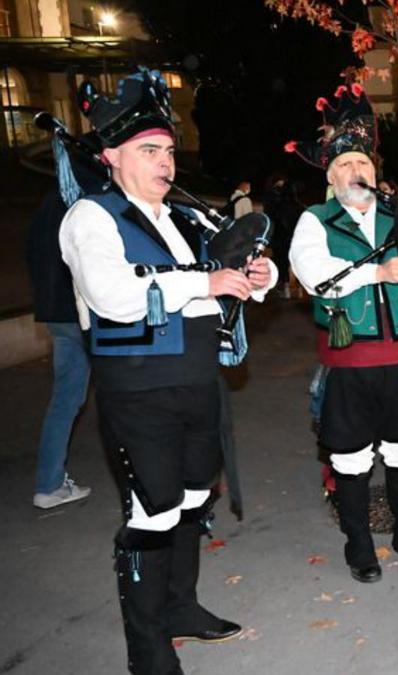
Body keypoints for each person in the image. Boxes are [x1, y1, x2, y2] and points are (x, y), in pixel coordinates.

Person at [59, 67, 275, 673]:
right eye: (148, 150)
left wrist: (256, 278)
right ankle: (146, 647)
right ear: (110, 156)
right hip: (139, 392)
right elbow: (112, 295)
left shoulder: (182, 217)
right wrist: (202, 281)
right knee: (151, 512)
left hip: (198, 382)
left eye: (169, 151)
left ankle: (180, 606)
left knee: (191, 500)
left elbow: (232, 272)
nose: (165, 162)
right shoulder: (91, 218)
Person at [287, 83, 398, 582]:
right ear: (330, 176)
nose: (356, 172)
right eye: (344, 166)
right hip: (349, 363)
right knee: (350, 459)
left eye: (363, 164)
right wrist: (377, 272)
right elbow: (314, 272)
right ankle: (359, 544)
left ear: (375, 172)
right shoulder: (314, 220)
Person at [26, 131, 108, 509]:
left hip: (57, 314)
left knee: (65, 400)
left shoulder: (50, 200)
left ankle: (50, 482)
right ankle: (146, 476)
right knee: (128, 390)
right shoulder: (90, 200)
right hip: (88, 311)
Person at [261, 173, 303, 296]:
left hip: (280, 234)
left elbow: (269, 215)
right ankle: (298, 288)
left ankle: (285, 287)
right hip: (293, 234)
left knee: (281, 260)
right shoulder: (294, 201)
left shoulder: (272, 198)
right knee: (295, 260)